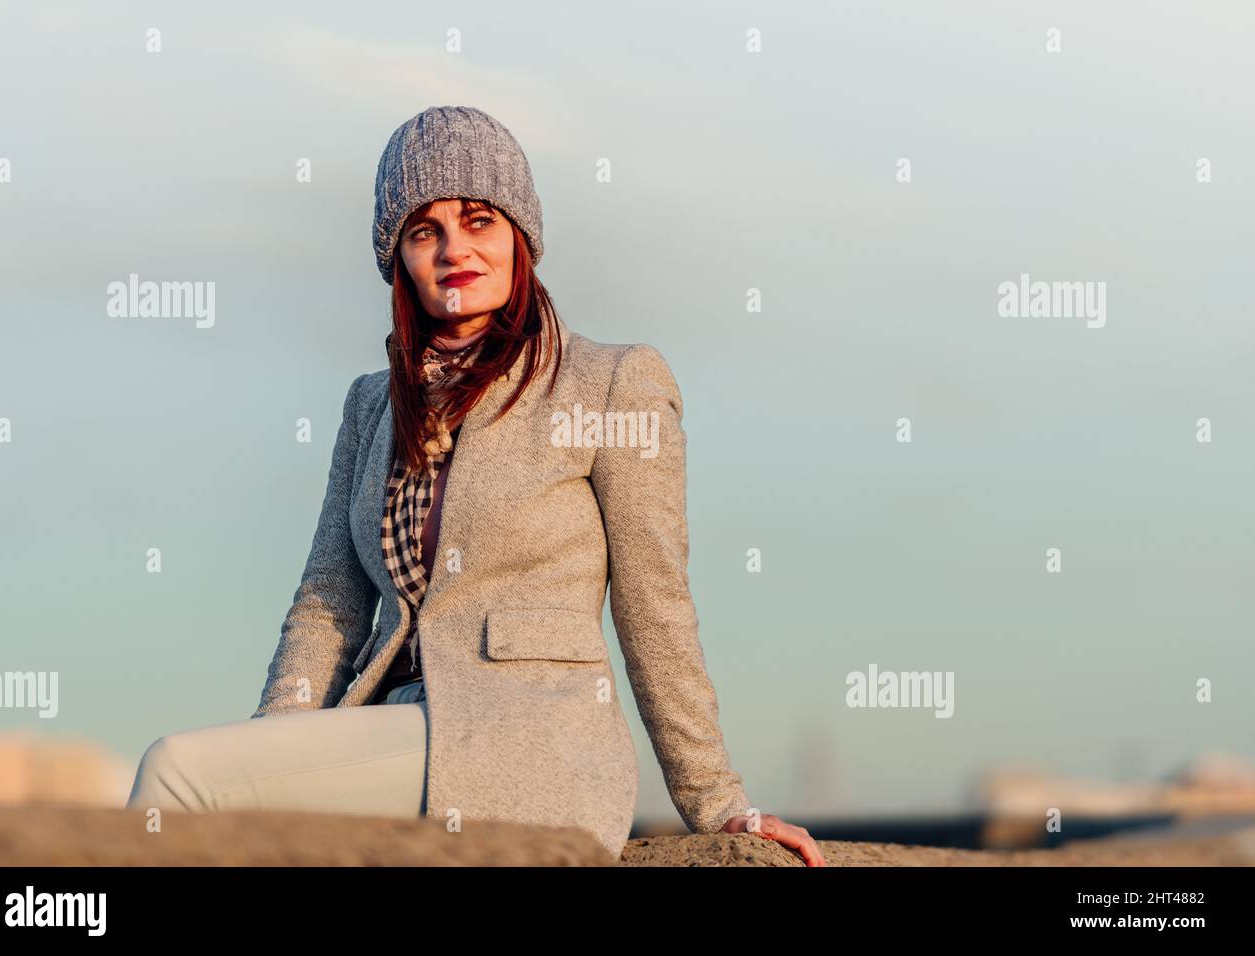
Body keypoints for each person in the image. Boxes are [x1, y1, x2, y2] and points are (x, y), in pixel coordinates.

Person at [127, 105, 824, 867]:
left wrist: (716, 798)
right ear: (399, 260)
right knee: (217, 790)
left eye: (479, 220)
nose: (455, 248)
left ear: (521, 235)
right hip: (387, 726)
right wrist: (269, 748)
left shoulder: (611, 384)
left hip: (526, 744)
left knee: (176, 774)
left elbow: (654, 604)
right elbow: (328, 602)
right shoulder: (370, 406)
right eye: (425, 231)